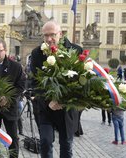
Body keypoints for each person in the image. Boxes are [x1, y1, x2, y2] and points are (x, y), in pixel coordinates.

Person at [30, 20, 83, 158]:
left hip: (67, 109)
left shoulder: (77, 51)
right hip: (46, 107)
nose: (49, 39)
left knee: (66, 144)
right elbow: (34, 82)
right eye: (45, 35)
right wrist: (49, 101)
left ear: (60, 34)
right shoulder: (37, 53)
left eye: (52, 34)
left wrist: (62, 100)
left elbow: (81, 82)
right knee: (45, 142)